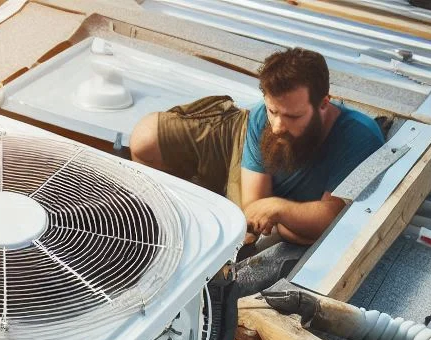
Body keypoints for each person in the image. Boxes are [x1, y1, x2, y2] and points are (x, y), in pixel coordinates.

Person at [130, 48, 384, 249]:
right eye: (273, 111)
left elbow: (332, 221)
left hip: (275, 205)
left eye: (292, 116)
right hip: (238, 143)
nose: (276, 127)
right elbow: (255, 206)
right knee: (146, 138)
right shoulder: (262, 118)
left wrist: (279, 209)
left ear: (323, 104)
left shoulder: (360, 137)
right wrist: (288, 218)